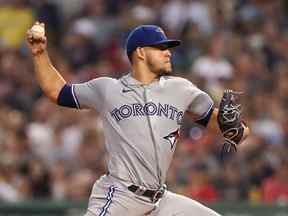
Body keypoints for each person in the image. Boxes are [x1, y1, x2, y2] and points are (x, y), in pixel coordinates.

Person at [27, 22, 249, 216]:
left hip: (161, 200)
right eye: (161, 47)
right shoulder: (108, 88)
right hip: (121, 194)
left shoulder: (181, 88)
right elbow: (58, 92)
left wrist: (238, 129)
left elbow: (227, 127)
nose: (168, 52)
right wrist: (39, 54)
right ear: (141, 52)